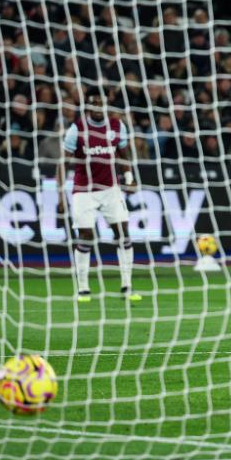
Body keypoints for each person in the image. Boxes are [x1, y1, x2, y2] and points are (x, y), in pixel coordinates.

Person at [57, 86, 142, 303]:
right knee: (86, 235)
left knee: (123, 232)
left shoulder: (116, 126)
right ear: (87, 105)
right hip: (84, 192)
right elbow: (63, 163)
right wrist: (60, 196)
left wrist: (129, 178)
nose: (98, 107)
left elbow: (123, 155)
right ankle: (83, 288)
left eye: (101, 103)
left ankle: (127, 286)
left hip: (111, 189)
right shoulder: (77, 129)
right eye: (94, 103)